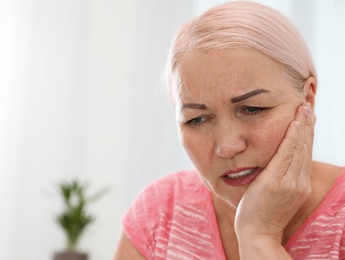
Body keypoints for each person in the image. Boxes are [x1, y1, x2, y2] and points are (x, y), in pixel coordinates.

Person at [114, 1, 345, 259]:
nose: (227, 146)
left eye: (253, 109)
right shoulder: (158, 213)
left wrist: (259, 237)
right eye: (197, 120)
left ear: (308, 99)